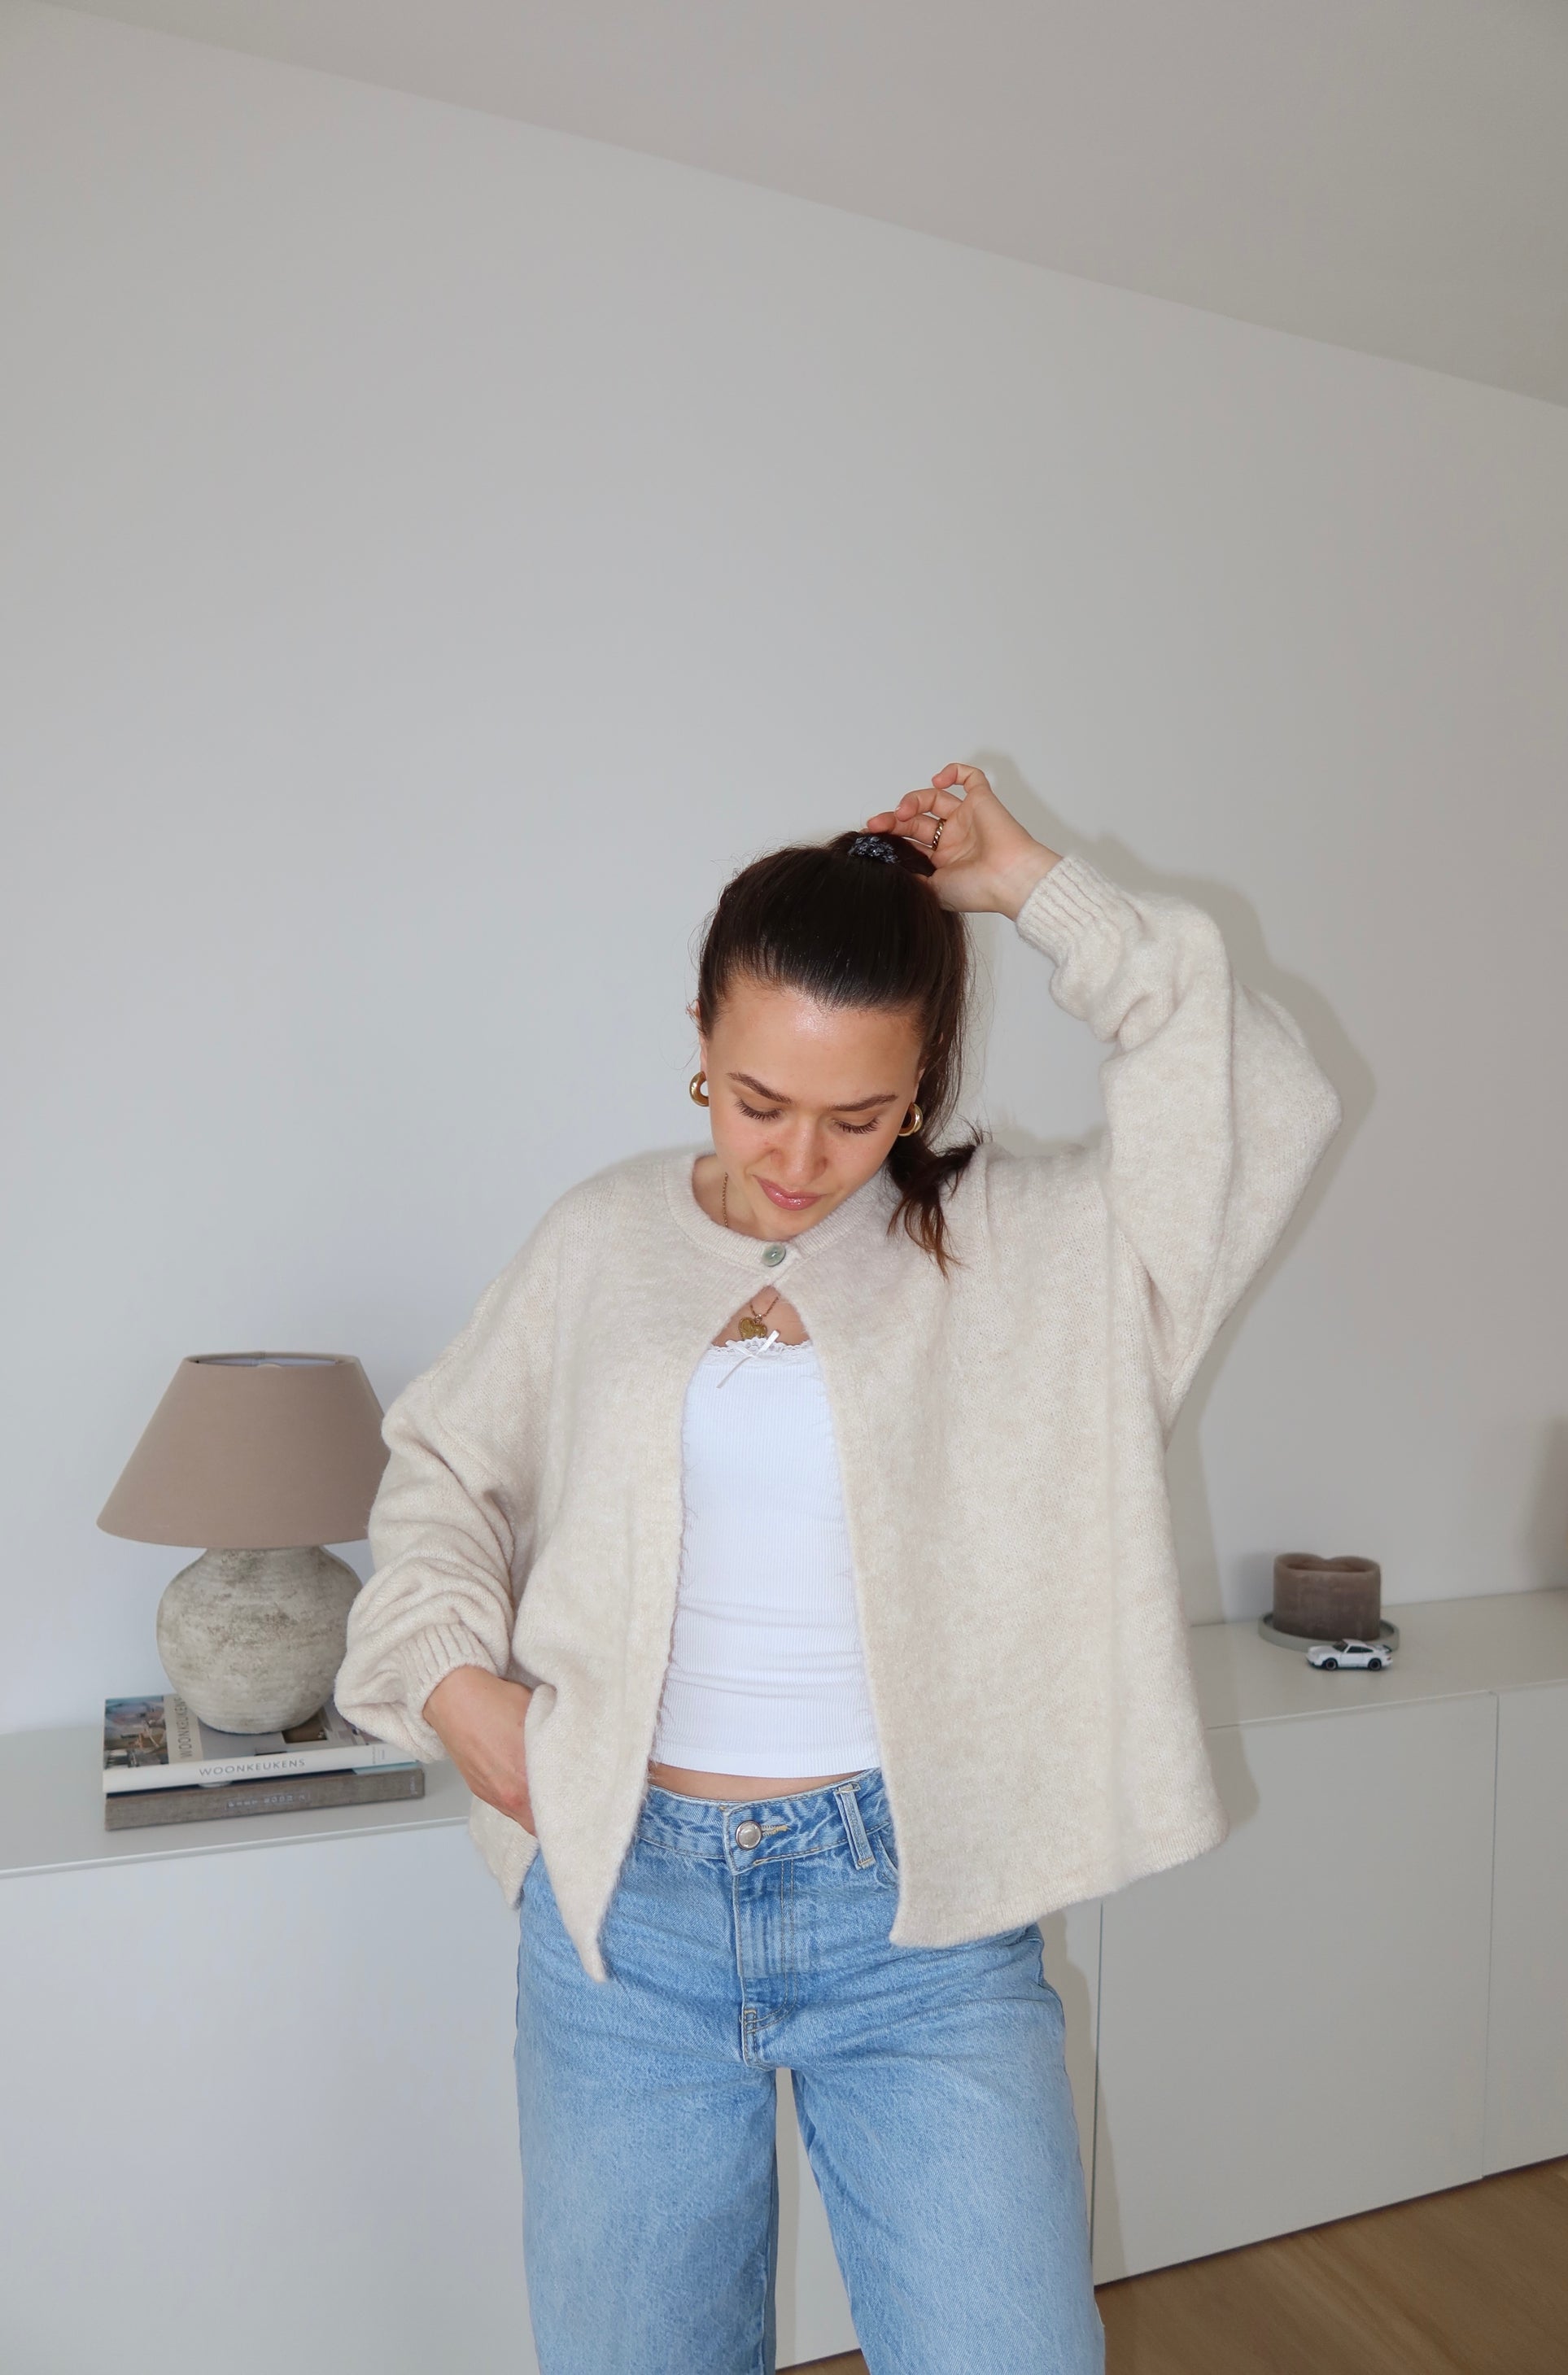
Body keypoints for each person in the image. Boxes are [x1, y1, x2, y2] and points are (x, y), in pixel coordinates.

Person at [335, 762, 1343, 2375]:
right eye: (756, 1099)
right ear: (699, 1039)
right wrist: (456, 1687)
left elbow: (1255, 1099)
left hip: (921, 1923)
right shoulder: (600, 1240)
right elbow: (441, 1469)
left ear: (924, 1083)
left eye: (859, 1115)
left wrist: (1039, 889)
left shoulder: (1039, 1249)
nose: (799, 1157)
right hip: (624, 1909)